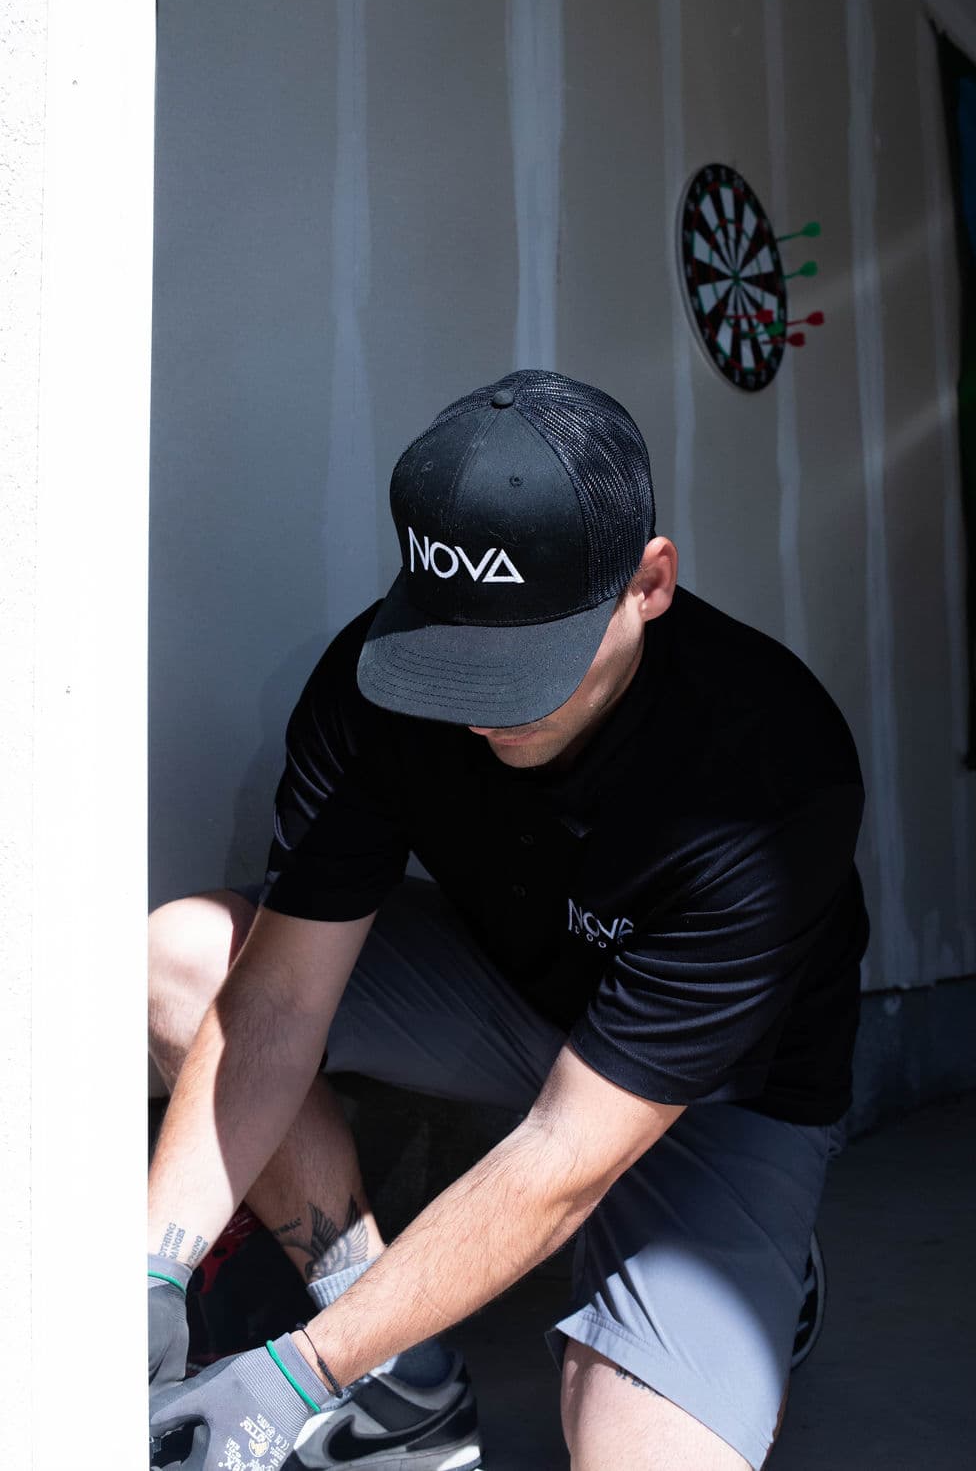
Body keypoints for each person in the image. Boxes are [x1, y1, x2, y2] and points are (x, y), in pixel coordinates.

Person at [148, 369, 868, 1471]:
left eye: (527, 663)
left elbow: (566, 1158)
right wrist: (151, 1273)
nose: (484, 707)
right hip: (513, 1003)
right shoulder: (377, 686)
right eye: (455, 657)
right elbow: (283, 998)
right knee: (181, 958)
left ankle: (754, 1263)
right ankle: (400, 1379)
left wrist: (291, 1374)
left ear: (650, 583)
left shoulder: (770, 774)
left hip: (723, 1097)